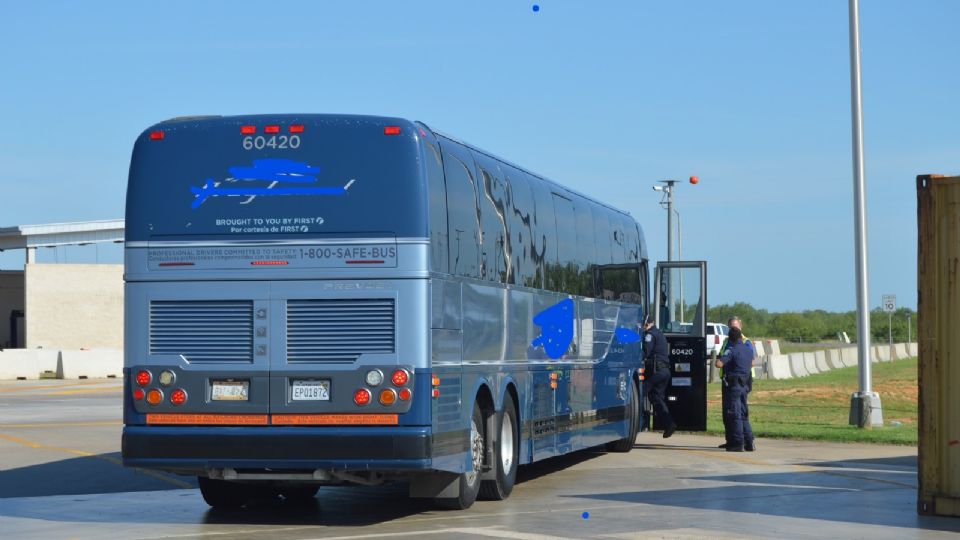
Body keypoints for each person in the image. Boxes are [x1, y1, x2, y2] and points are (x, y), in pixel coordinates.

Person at [717, 316, 757, 449]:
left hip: (736, 382)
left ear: (740, 326)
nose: (732, 329)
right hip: (736, 381)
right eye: (731, 326)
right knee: (736, 413)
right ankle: (744, 441)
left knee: (735, 413)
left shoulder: (745, 343)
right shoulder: (727, 341)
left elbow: (719, 362)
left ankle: (738, 442)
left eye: (734, 326)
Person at [642, 314, 676, 438]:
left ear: (650, 324)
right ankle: (669, 423)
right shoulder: (659, 333)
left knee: (641, 392)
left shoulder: (650, 335)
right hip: (664, 371)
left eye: (646, 325)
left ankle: (638, 420)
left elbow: (646, 351)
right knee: (656, 398)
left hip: (656, 372)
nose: (644, 327)